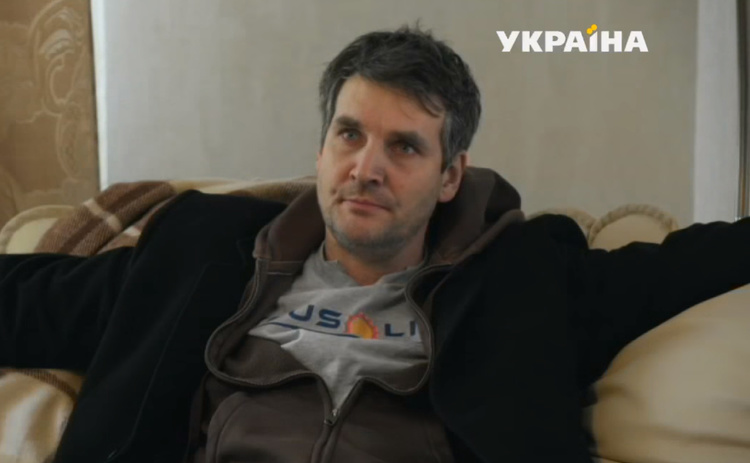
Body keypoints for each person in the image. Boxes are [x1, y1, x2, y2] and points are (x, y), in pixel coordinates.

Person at [2, 24, 750, 463]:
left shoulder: (521, 283)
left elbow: (692, 264)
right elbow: (33, 301)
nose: (366, 168)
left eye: (404, 146)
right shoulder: (204, 259)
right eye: (350, 134)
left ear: (451, 175)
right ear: (322, 148)